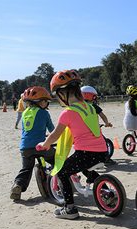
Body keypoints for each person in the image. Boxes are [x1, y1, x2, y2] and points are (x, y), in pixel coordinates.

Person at [37, 70, 108, 219]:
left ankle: (70, 209)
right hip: (103, 150)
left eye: (57, 96)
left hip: (86, 153)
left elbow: (55, 134)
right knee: (85, 167)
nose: (58, 100)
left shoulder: (67, 112)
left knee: (62, 171)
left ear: (63, 94)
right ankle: (106, 192)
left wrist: (45, 144)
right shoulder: (90, 107)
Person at [10, 86, 55, 202]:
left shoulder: (24, 113)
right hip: (41, 146)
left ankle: (17, 185)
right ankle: (59, 181)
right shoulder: (44, 113)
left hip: (25, 148)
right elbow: (52, 130)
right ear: (39, 101)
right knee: (56, 159)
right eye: (45, 101)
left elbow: (27, 130)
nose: (47, 103)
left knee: (26, 168)